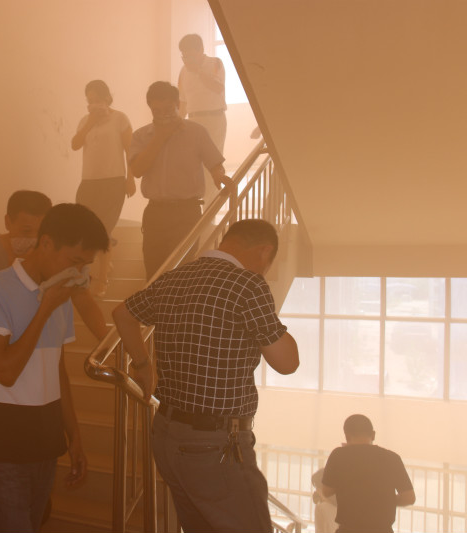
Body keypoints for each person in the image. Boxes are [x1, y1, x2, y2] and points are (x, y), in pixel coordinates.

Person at [112, 219, 300, 533]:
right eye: (268, 264)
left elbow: (122, 314)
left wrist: (143, 365)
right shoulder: (248, 284)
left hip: (167, 436)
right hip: (215, 446)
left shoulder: (174, 277)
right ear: (264, 251)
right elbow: (287, 362)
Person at [0, 192, 108, 532]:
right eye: (74, 261)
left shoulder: (60, 292)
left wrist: (74, 435)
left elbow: (58, 372)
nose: (78, 272)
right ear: (47, 243)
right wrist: (45, 307)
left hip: (45, 439)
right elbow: (6, 371)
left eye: (84, 265)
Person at [0, 190, 108, 336]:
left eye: (40, 232)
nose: (35, 239)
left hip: (46, 341)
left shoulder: (56, 258)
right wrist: (16, 272)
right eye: (26, 231)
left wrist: (107, 342)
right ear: (8, 222)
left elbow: (84, 302)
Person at [129, 81, 231, 280]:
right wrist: (160, 137)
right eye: (157, 111)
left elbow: (214, 163)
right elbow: (137, 170)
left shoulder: (196, 132)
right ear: (150, 108)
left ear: (177, 104)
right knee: (154, 273)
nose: (163, 115)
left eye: (168, 109)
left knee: (182, 274)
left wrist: (219, 176)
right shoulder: (141, 136)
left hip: (187, 212)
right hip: (155, 213)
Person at [71, 80, 134, 295]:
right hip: (88, 182)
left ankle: (103, 278)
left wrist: (130, 179)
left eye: (97, 100)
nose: (93, 104)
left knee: (104, 229)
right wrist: (90, 122)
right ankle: (101, 263)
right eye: (89, 101)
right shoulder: (85, 121)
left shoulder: (120, 119)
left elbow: (130, 150)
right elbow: (75, 145)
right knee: (85, 228)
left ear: (107, 98)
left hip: (113, 181)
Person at [320, 414, 415, 533]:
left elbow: (326, 491)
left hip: (349, 529)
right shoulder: (392, 458)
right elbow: (409, 498)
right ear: (373, 434)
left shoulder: (338, 455)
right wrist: (384, 500)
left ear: (347, 436)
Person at [177, 34, 228, 206]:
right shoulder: (183, 71)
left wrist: (198, 70)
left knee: (212, 165)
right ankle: (198, 209)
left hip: (214, 118)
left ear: (201, 50)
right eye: (184, 56)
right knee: (193, 166)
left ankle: (210, 212)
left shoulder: (215, 63)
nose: (186, 60)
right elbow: (183, 102)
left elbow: (218, 87)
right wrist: (176, 125)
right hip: (192, 121)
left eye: (190, 55)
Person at [312, 468, 339, 533]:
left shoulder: (321, 508)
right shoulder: (344, 505)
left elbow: (319, 531)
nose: (316, 491)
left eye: (317, 487)